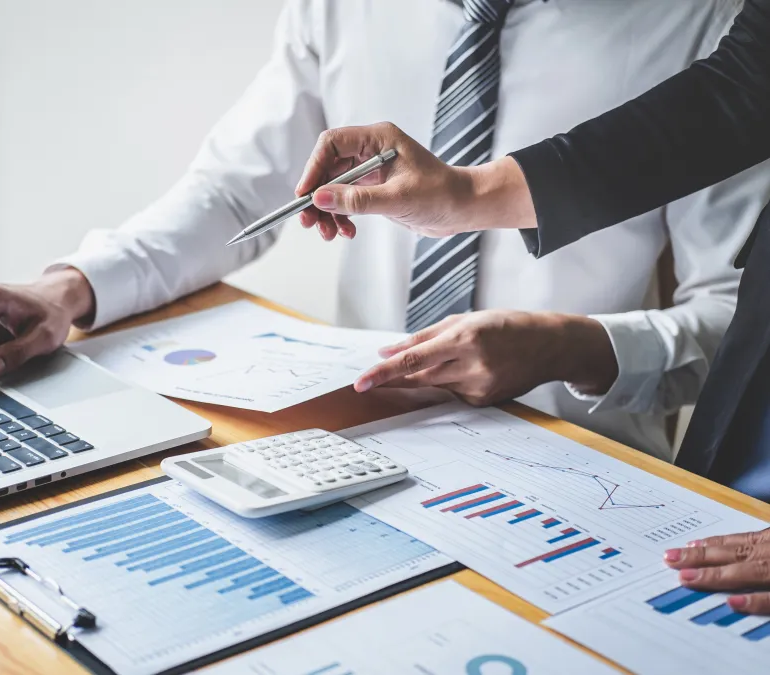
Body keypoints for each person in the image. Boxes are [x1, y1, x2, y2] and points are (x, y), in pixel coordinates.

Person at [0, 1, 768, 465]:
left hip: (576, 464)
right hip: (344, 441)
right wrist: (71, 286)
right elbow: (238, 193)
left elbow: (740, 325)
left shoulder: (718, 31)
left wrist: (575, 348)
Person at [294, 0, 770, 612]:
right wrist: (467, 195)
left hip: (585, 493)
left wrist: (567, 347)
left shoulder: (696, 16)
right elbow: (740, 87)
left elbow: (731, 317)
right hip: (369, 456)